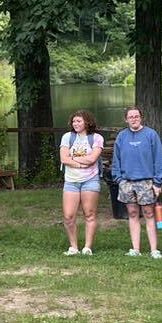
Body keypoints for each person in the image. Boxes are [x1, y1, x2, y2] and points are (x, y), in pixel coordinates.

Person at [109, 106, 162, 258]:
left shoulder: (151, 135)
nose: (134, 119)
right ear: (125, 119)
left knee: (148, 213)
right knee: (132, 213)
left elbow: (158, 160)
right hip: (126, 181)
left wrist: (158, 182)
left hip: (146, 181)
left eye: (136, 116)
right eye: (130, 117)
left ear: (141, 118)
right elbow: (116, 160)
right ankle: (136, 249)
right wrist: (119, 179)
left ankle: (154, 249)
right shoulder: (122, 136)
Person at [59, 110, 104, 256]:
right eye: (74, 121)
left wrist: (73, 158)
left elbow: (92, 159)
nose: (76, 124)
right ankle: (73, 247)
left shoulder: (97, 138)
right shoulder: (67, 137)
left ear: (87, 122)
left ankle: (87, 247)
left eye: (79, 121)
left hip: (90, 180)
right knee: (68, 215)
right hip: (71, 181)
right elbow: (64, 159)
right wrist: (79, 164)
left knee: (89, 214)